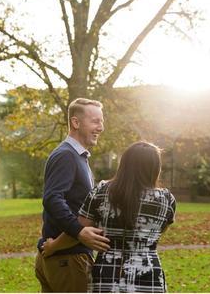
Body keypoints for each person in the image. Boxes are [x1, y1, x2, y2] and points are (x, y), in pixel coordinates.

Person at [42, 141, 176, 293]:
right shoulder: (167, 200)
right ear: (155, 168)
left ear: (124, 164)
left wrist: (53, 246)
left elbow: (79, 231)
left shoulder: (102, 191)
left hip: (107, 277)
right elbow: (159, 232)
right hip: (149, 278)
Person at [35, 98, 111, 293]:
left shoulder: (77, 156)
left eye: (102, 121)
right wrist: (79, 230)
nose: (101, 127)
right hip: (68, 260)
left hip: (63, 257)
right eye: (95, 121)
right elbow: (52, 198)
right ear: (76, 123)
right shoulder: (66, 155)